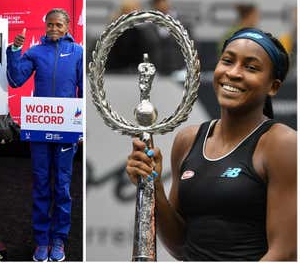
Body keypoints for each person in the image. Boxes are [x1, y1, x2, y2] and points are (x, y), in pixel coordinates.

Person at [126, 28, 296, 261]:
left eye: (251, 67)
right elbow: (179, 244)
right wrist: (154, 187)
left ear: (273, 86)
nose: (234, 73)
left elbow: (285, 253)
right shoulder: (188, 140)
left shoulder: (282, 144)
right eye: (227, 61)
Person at [6, 8, 82, 262]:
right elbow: (16, 79)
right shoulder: (35, 51)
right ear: (45, 26)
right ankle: (41, 241)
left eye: (58, 25)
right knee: (40, 184)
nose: (53, 29)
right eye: (50, 24)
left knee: (61, 185)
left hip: (66, 130)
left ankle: (58, 240)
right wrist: (14, 51)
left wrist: (81, 124)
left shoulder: (78, 52)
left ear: (67, 26)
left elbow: (84, 91)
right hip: (39, 128)